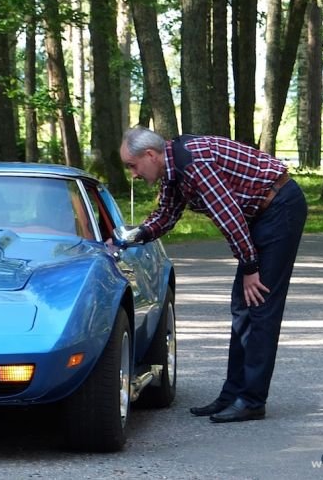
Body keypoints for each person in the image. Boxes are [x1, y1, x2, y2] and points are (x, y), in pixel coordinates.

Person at [119, 126, 307, 423]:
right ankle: (232, 395)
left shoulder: (193, 164)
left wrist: (250, 267)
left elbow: (229, 218)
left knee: (260, 306)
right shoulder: (173, 170)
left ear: (150, 155)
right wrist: (134, 235)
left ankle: (253, 400)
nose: (134, 174)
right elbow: (166, 214)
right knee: (242, 308)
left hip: (279, 207)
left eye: (133, 165)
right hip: (259, 215)